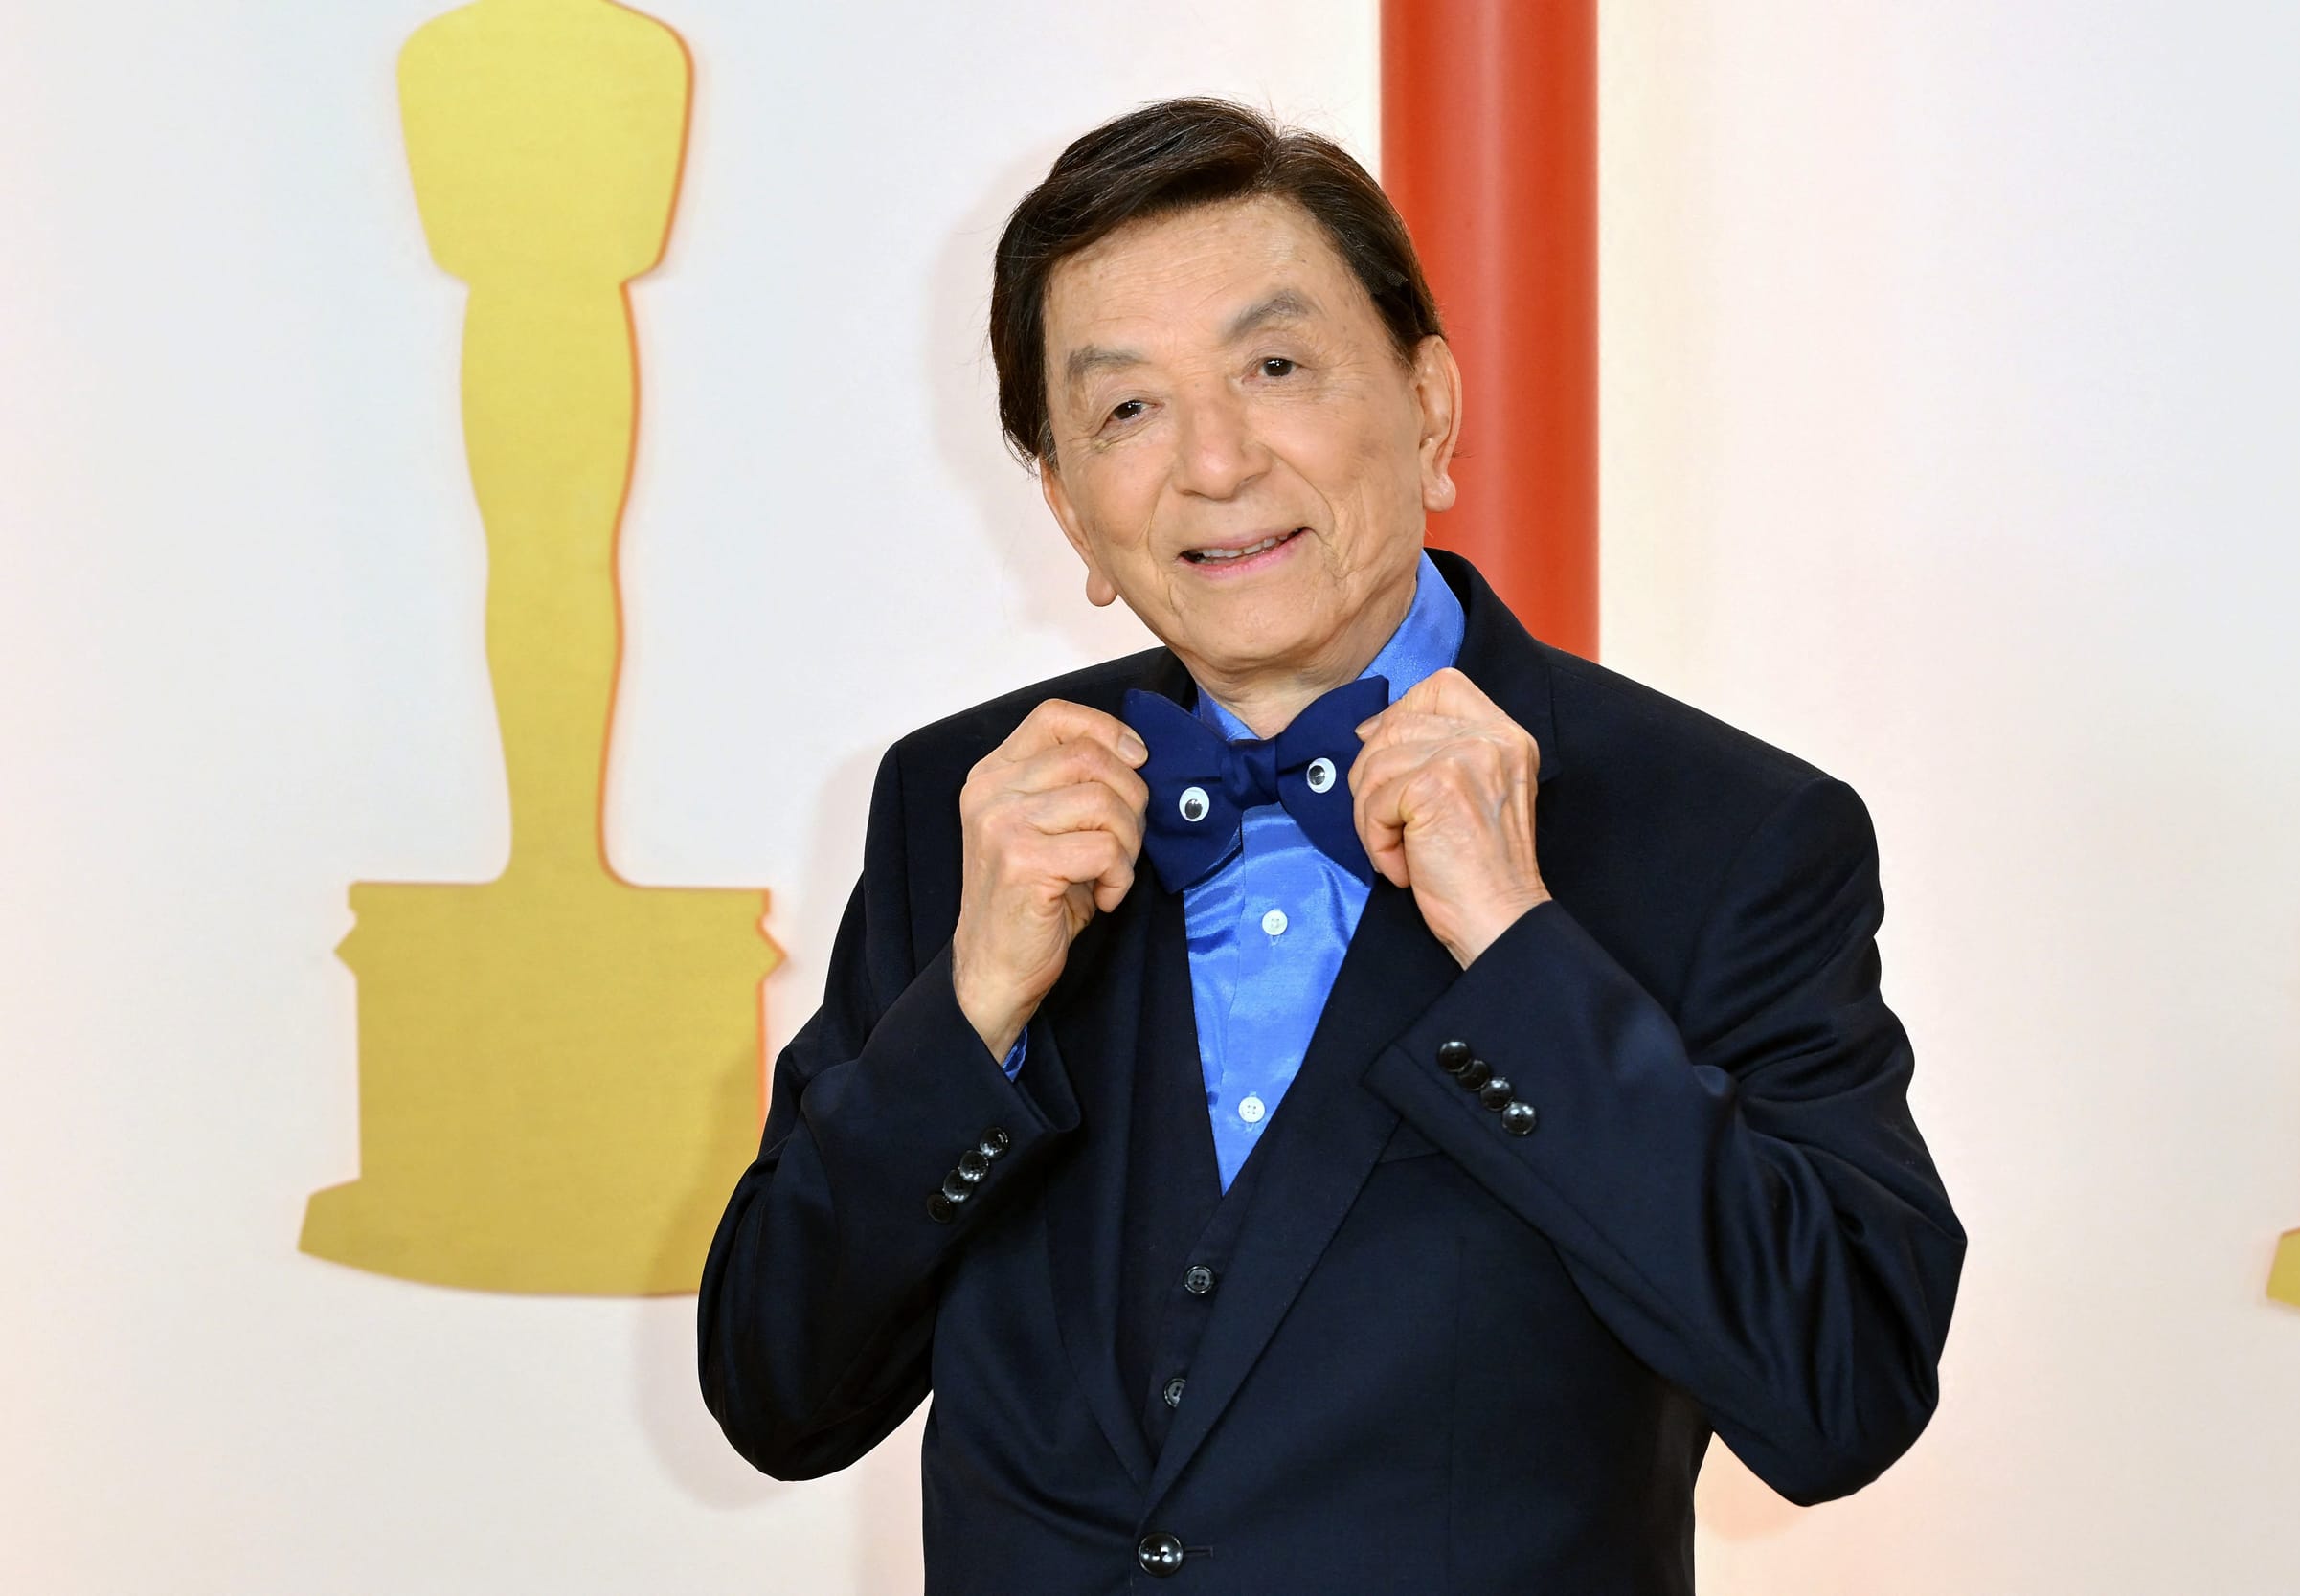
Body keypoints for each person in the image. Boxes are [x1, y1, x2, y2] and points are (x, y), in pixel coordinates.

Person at [697, 97, 1964, 1593]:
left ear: (1431, 408)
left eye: (1276, 367)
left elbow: (1841, 1396)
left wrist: (1521, 952)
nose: (1214, 463)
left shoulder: (1732, 832)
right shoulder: (957, 806)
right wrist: (968, 1016)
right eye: (1125, 410)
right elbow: (779, 1394)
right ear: (1066, 510)